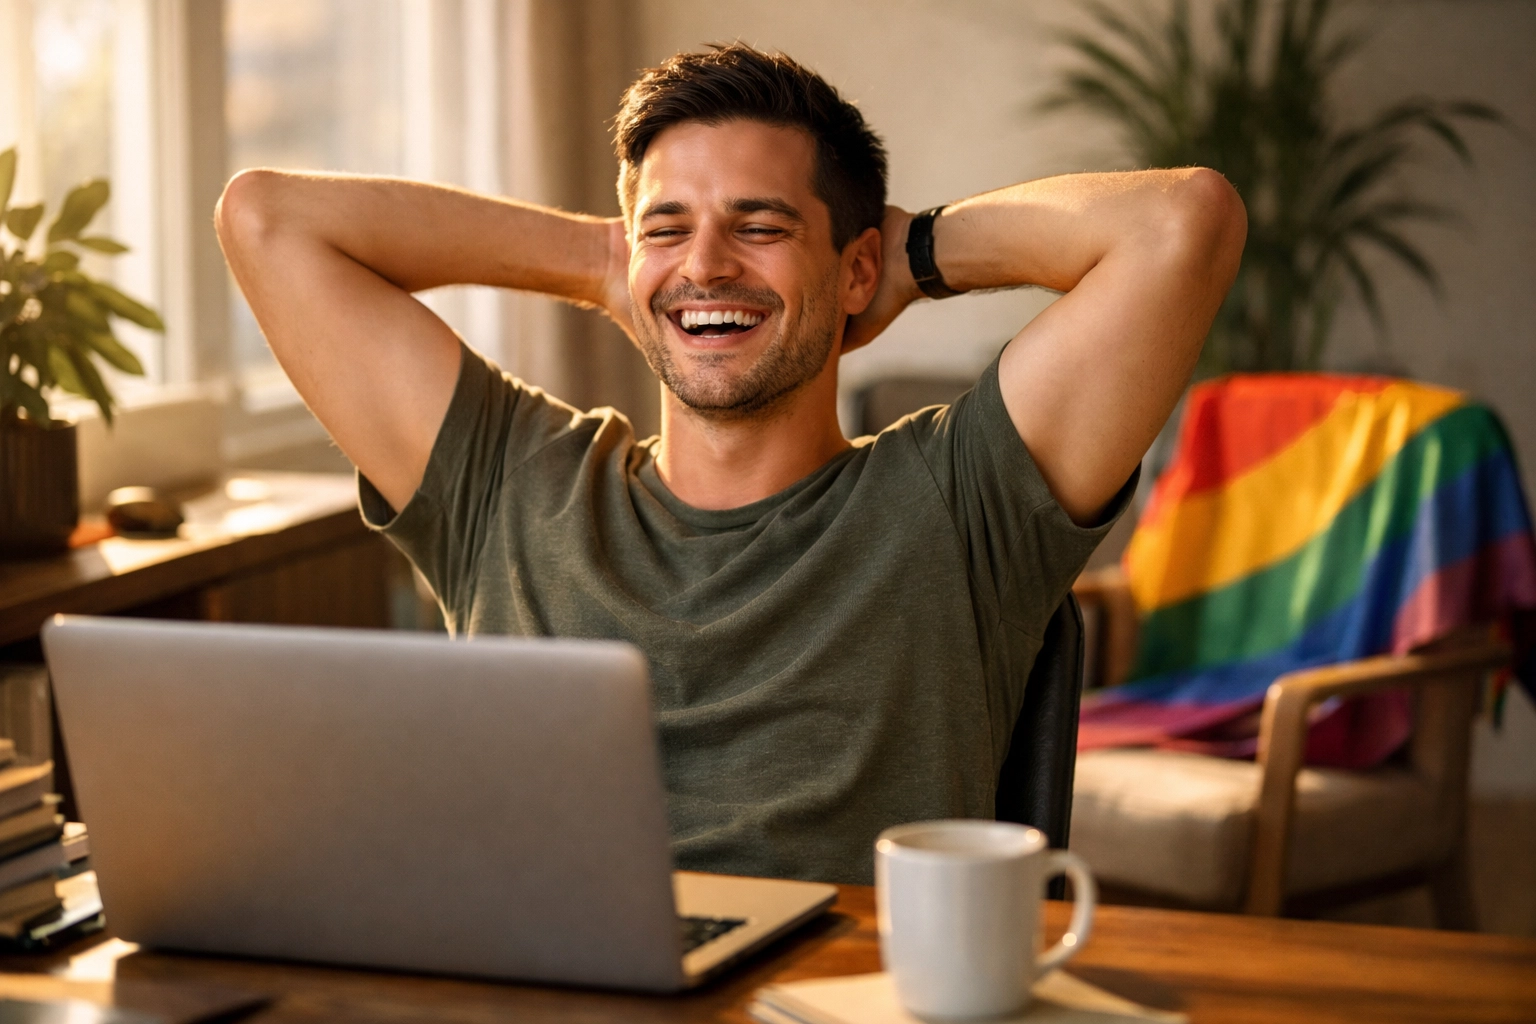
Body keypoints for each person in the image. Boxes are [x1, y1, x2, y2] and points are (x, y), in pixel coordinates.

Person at [215, 44, 1245, 884]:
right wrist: (600, 260)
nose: (705, 265)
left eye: (759, 227)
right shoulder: (506, 478)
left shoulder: (962, 500)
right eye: (669, 229)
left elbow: (1179, 223)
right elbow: (266, 219)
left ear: (852, 270)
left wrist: (916, 254)